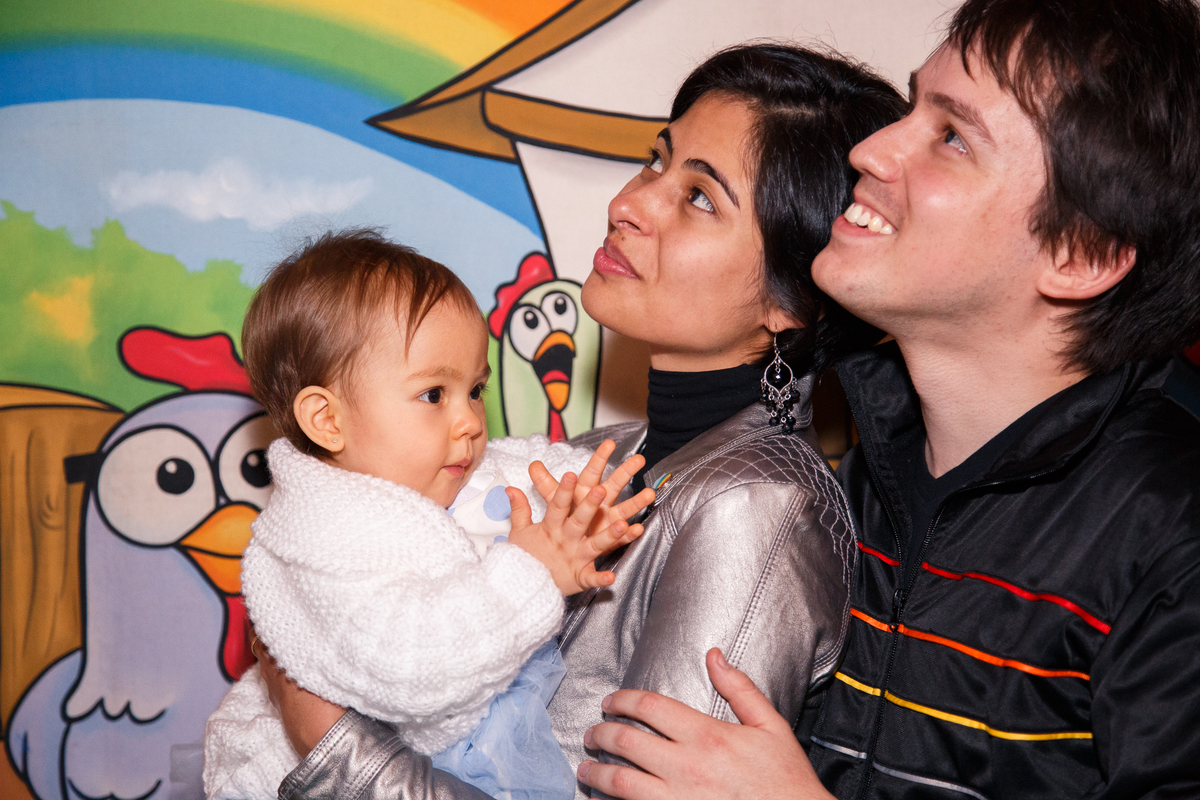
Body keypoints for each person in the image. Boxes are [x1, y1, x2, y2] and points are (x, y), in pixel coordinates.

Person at [577, 1, 1200, 798]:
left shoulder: (1171, 532)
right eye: (911, 107)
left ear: (1079, 256)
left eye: (951, 137)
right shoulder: (857, 480)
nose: (870, 150)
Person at [257, 45, 909, 799]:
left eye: (699, 197)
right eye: (656, 161)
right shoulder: (598, 456)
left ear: (789, 302)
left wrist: (331, 744)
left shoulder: (753, 505)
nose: (630, 203)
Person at [201, 231, 654, 800]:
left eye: (476, 389)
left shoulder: (448, 465)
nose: (468, 420)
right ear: (327, 420)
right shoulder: (320, 538)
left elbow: (538, 470)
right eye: (434, 394)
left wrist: (597, 494)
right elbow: (411, 669)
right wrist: (535, 572)